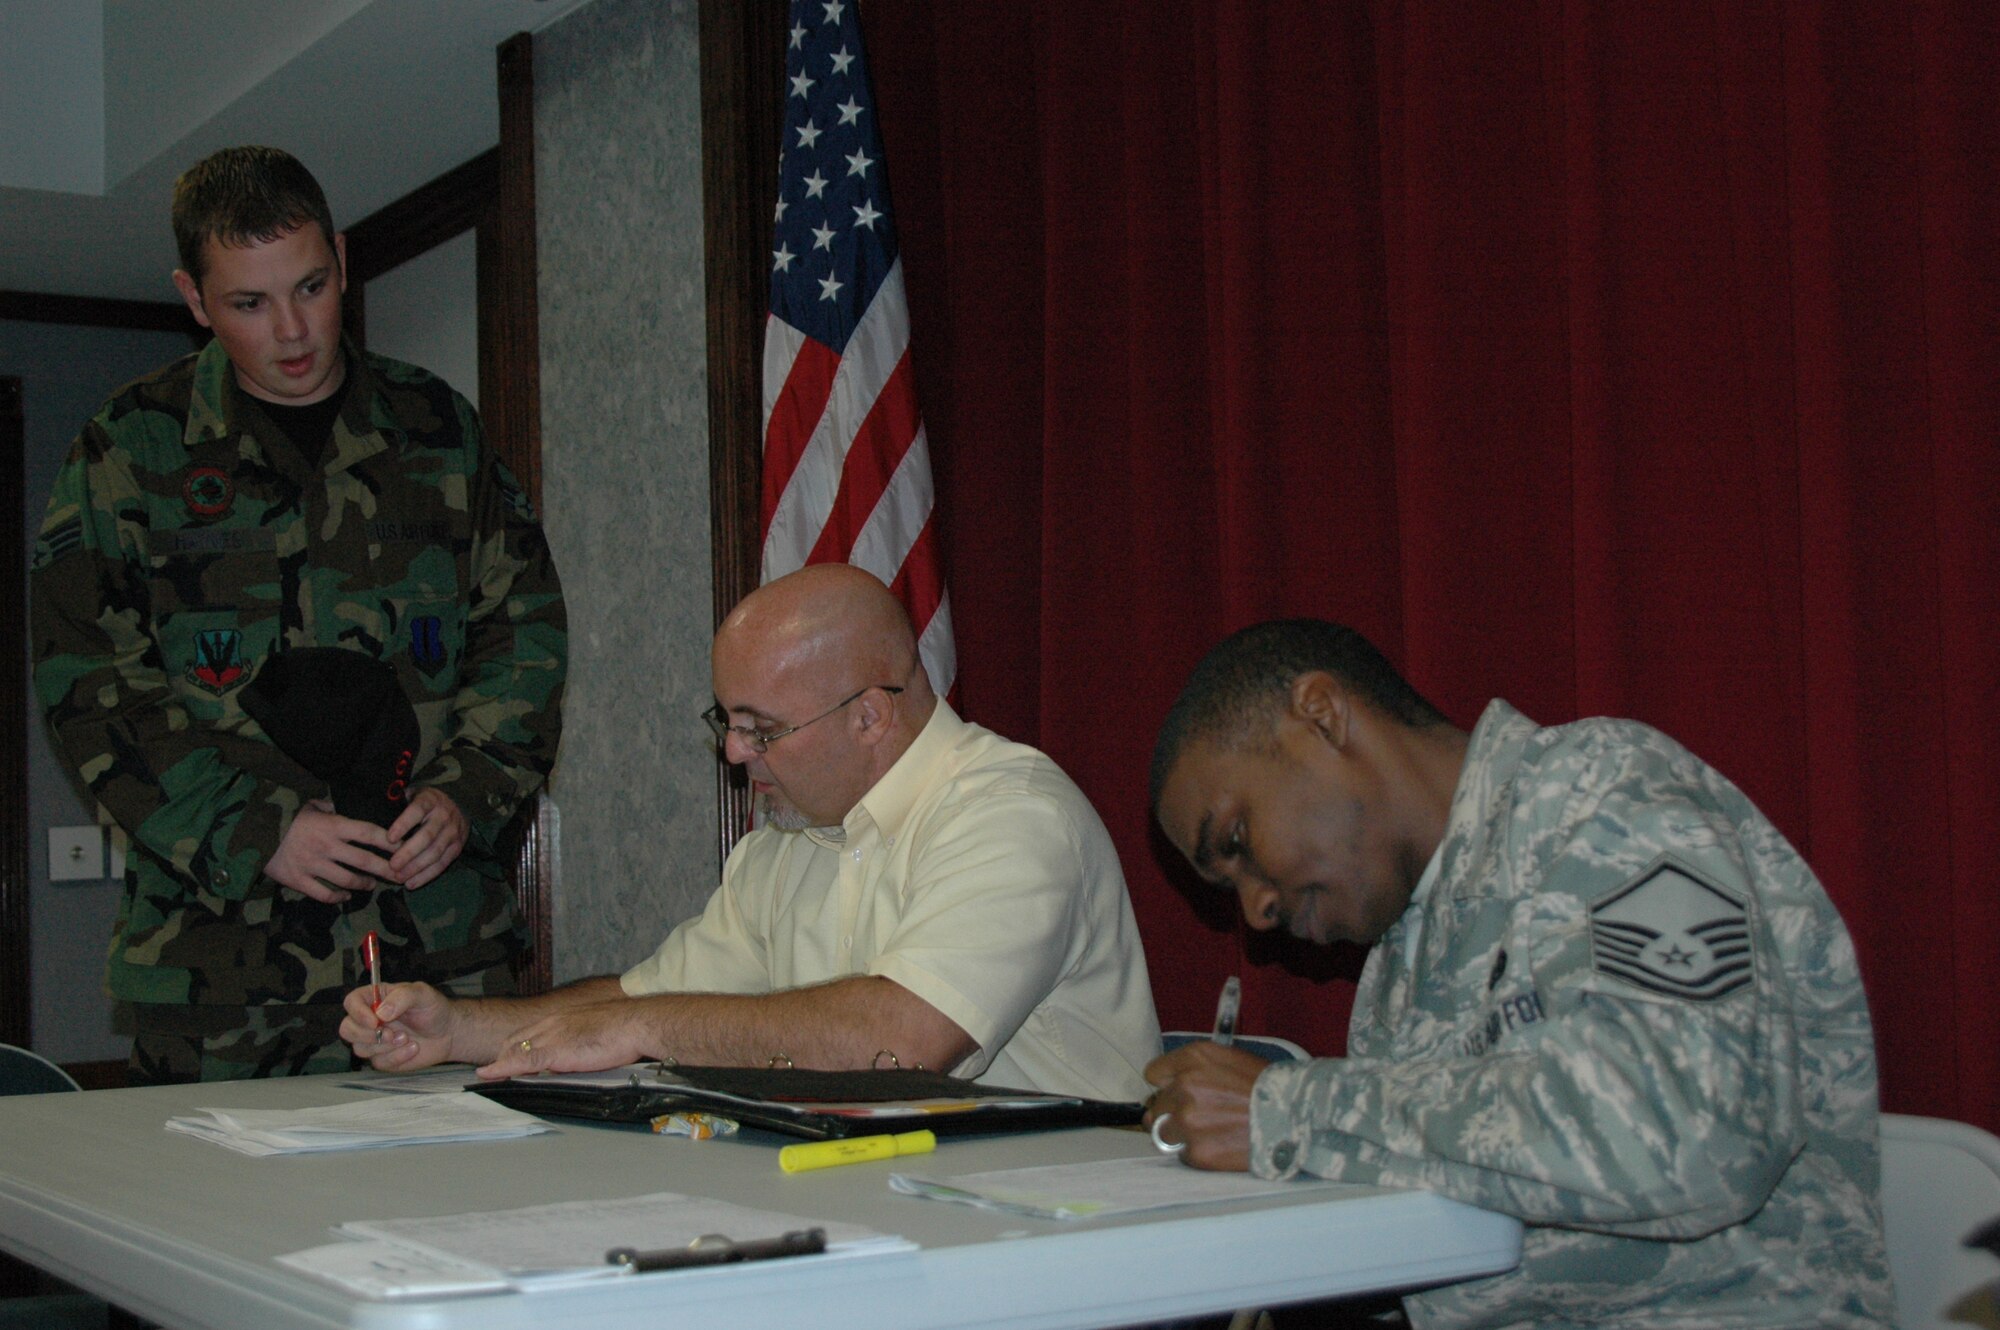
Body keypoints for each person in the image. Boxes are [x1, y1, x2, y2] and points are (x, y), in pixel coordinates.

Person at [1142, 620, 1894, 1329]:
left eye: (1238, 840)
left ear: (1322, 715)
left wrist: (1287, 1111)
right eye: (1226, 889)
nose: (1257, 908)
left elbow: (1689, 1134)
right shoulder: (1402, 957)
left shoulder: (1605, 794)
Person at [30, 146, 567, 1085]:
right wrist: (257, 828)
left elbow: (521, 634)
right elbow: (88, 682)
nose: (292, 330)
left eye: (312, 287)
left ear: (343, 263)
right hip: (222, 975)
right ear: (194, 300)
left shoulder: (437, 427)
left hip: (434, 954)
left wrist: (466, 794)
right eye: (248, 303)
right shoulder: (130, 449)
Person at [341, 564, 1160, 1102]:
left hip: (1057, 1236)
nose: (734, 753)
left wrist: (643, 1031)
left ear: (870, 716)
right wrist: (458, 1027)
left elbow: (904, 1043)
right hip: (898, 1218)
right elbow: (644, 998)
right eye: (728, 723)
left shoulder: (1010, 814)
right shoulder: (788, 841)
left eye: (760, 729)